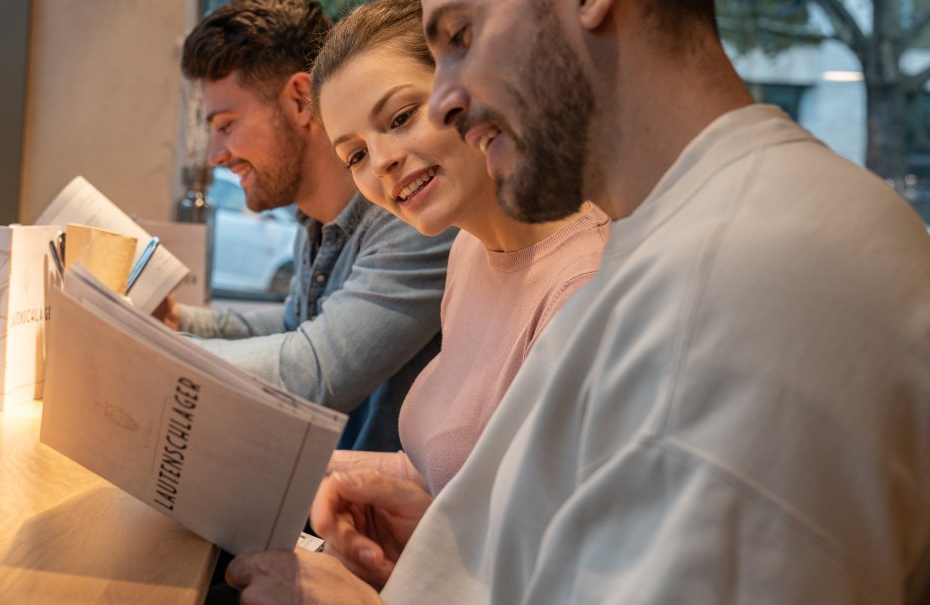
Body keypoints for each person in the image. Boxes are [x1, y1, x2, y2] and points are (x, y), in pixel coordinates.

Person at [225, 0, 930, 602]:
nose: (447, 101)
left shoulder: (747, 276)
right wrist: (450, 531)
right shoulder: (666, 234)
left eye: (462, 37)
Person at [308, 0, 607, 497]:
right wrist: (297, 469)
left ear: (461, 88)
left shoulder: (580, 287)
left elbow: (536, 548)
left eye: (401, 117)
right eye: (355, 155)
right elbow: (443, 477)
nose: (381, 162)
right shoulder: (467, 249)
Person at [162, 0, 456, 452]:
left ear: (301, 99)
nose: (216, 155)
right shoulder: (320, 221)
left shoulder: (414, 214)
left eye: (226, 125)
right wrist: (180, 320)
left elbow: (311, 371)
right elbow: (293, 326)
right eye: (357, 153)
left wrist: (142, 351)